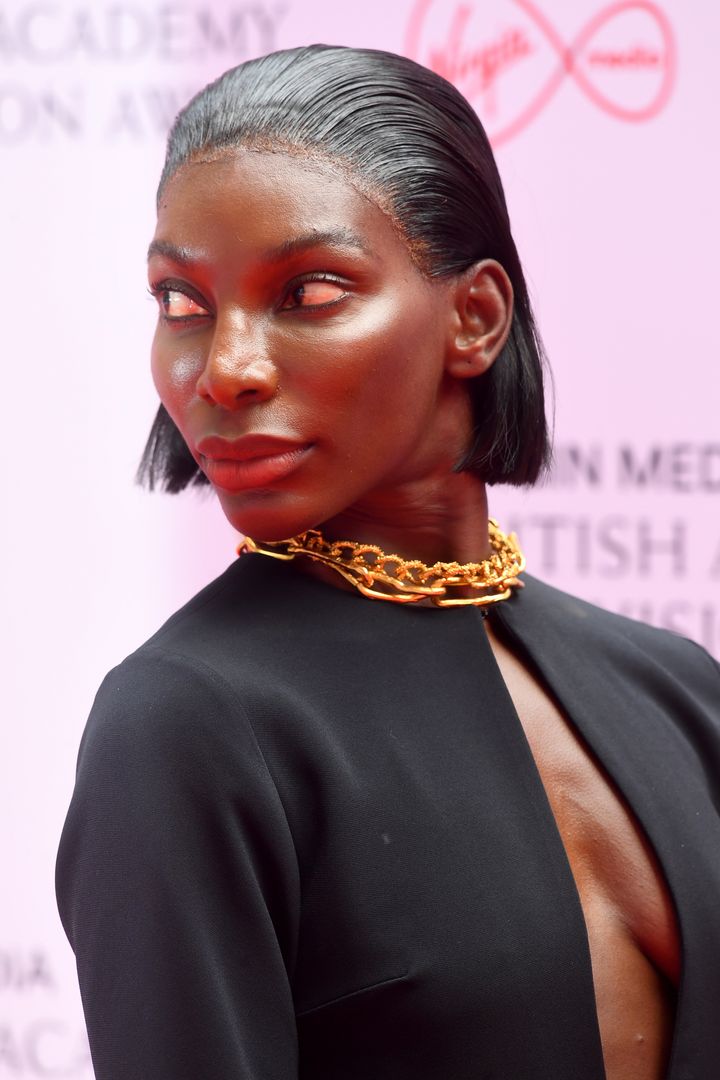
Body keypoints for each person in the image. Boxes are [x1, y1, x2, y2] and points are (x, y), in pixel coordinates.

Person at [55, 44, 719, 1080]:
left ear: (476, 317)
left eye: (309, 291)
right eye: (182, 303)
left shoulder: (679, 690)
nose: (224, 368)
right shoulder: (187, 724)